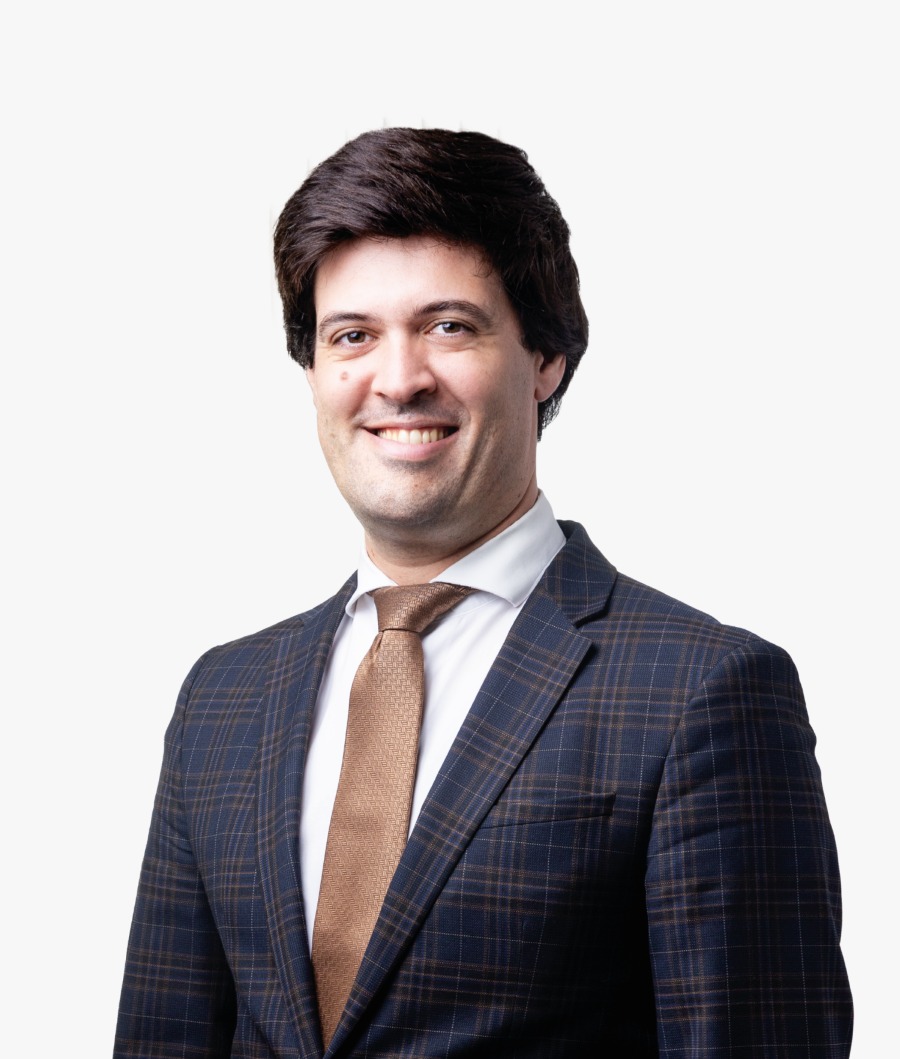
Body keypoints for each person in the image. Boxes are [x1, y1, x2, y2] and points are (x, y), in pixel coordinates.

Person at [114, 128, 852, 1058]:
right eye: (352, 336)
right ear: (314, 372)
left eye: (449, 326)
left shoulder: (702, 692)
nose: (398, 379)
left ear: (546, 358)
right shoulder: (222, 699)